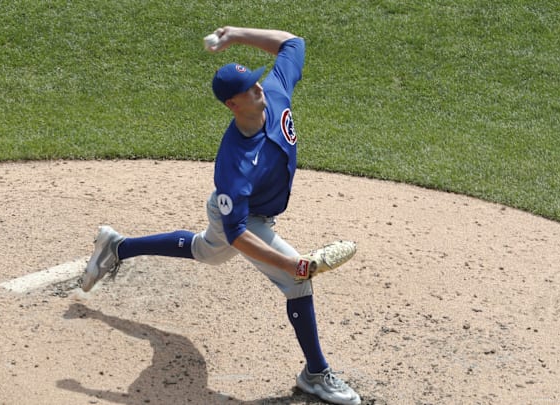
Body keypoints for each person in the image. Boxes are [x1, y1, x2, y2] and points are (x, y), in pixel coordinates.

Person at [79, 26, 361, 405]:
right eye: (249, 88)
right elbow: (239, 234)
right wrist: (292, 265)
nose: (259, 88)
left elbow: (293, 43)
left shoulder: (274, 91)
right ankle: (315, 373)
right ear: (233, 104)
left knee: (205, 251)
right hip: (243, 220)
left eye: (257, 81)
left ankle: (118, 246)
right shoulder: (234, 165)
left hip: (252, 216)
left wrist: (235, 35)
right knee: (297, 283)